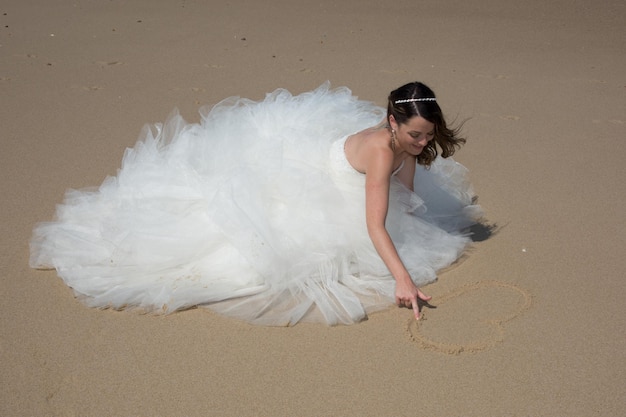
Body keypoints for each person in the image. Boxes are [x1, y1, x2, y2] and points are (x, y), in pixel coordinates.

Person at [30, 82, 482, 326]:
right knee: (259, 256)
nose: (422, 142)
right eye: (415, 134)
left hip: (338, 159)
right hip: (325, 184)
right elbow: (375, 225)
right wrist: (401, 279)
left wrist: (415, 191)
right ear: (391, 121)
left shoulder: (402, 144)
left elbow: (406, 185)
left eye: (427, 134)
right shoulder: (383, 150)